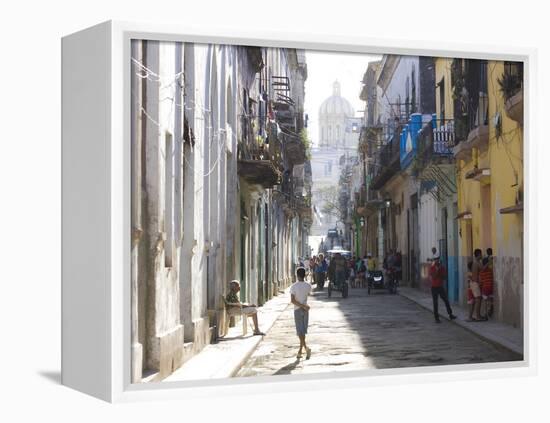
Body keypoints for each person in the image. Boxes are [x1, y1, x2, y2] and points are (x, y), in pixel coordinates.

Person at [290, 267, 312, 359]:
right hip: (306, 310)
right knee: (302, 331)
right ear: (304, 275)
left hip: (298, 310)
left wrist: (301, 306)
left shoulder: (294, 286)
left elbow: (293, 301)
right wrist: (304, 305)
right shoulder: (308, 286)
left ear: (297, 275)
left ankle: (306, 349)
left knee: (300, 332)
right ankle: (300, 350)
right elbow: (308, 295)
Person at [429, 256, 457, 323]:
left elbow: (444, 277)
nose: (437, 261)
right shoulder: (432, 268)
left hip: (440, 287)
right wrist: (437, 270)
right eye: (436, 259)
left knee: (446, 300)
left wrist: (440, 271)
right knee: (435, 303)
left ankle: (450, 314)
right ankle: (436, 318)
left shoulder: (442, 268)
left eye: (438, 259)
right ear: (434, 260)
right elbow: (434, 277)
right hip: (434, 287)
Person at [470, 248, 486, 321]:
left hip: (474, 283)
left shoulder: (475, 262)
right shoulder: (476, 262)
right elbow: (483, 269)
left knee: (477, 299)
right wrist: (489, 262)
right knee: (478, 299)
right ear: (478, 254)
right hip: (475, 283)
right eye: (481, 254)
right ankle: (477, 316)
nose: (481, 255)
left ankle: (477, 315)